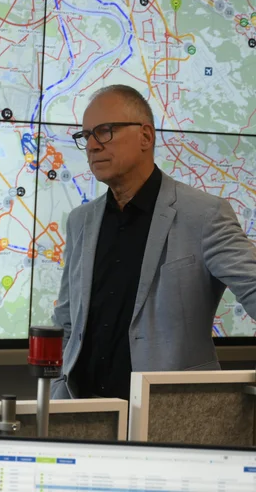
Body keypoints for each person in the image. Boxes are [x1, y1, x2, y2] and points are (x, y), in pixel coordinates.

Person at [51, 84, 256, 400]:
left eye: (104, 132)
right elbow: (66, 321)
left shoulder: (204, 215)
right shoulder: (81, 220)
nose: (91, 146)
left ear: (146, 136)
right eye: (86, 135)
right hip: (84, 413)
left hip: (170, 411)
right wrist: (56, 394)